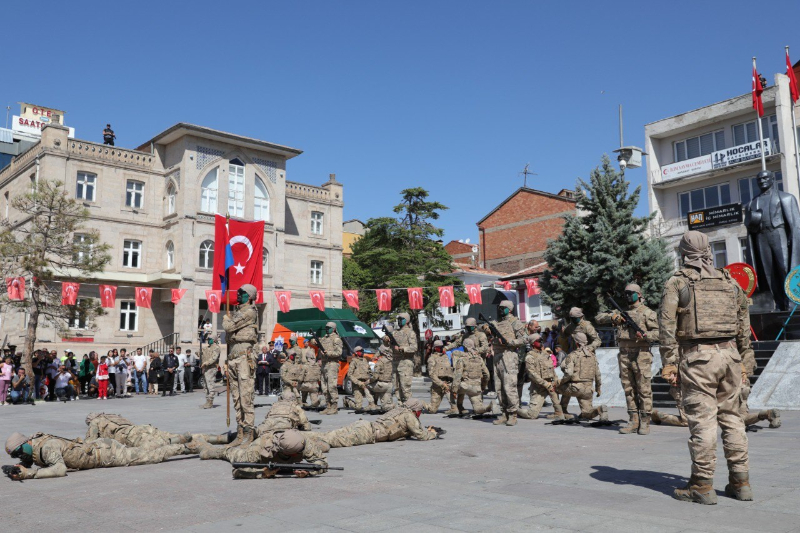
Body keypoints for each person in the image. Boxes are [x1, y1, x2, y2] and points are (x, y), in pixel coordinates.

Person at [659, 230, 753, 505]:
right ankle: (741, 482)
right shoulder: (730, 282)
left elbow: (666, 325)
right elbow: (743, 324)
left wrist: (669, 362)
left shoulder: (678, 283)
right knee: (734, 420)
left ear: (683, 252)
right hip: (731, 357)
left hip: (698, 359)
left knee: (704, 423)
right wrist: (745, 361)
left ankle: (701, 485)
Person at [596, 283, 660, 435]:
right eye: (625, 293)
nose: (627, 296)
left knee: (643, 389)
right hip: (624, 354)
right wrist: (613, 317)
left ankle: (645, 421)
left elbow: (659, 333)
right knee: (628, 389)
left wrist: (646, 335)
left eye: (630, 293)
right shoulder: (621, 313)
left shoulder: (647, 313)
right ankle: (633, 420)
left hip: (641, 354)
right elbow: (598, 318)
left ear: (639, 294)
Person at [3, 431, 191, 480]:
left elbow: (60, 469)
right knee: (145, 450)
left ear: (25, 444)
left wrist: (30, 474)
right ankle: (176, 440)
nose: (20, 457)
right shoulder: (37, 445)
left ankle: (188, 447)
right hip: (101, 447)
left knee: (151, 456)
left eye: (19, 453)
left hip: (108, 454)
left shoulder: (47, 448)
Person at [196, 428, 328, 480]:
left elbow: (323, 463)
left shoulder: (302, 442)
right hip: (258, 454)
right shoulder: (258, 449)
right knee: (229, 452)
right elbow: (237, 471)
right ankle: (205, 447)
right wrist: (262, 474)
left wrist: (309, 471)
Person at [316, 398, 439, 448]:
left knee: (330, 434)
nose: (420, 413)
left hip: (365, 425)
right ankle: (308, 444)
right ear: (416, 410)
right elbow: (421, 435)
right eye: (420, 411)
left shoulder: (400, 410)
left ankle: (303, 437)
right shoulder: (409, 415)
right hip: (368, 433)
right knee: (335, 441)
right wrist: (433, 434)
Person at [222, 284, 259, 445]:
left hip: (244, 358)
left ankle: (249, 433)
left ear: (249, 296)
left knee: (245, 397)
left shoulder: (249, 312)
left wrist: (226, 318)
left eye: (242, 294)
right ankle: (240, 432)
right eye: (238, 292)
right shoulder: (238, 312)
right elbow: (229, 337)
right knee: (236, 398)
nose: (238, 295)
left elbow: (228, 327)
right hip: (233, 357)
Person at [84, 412, 229, 449]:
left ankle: (192, 446)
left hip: (131, 436)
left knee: (163, 445)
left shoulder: (96, 422)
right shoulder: (113, 416)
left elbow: (89, 443)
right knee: (173, 435)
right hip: (143, 428)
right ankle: (220, 438)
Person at [488, 300, 527, 426]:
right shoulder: (498, 323)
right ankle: (504, 413)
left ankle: (513, 414)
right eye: (500, 307)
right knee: (499, 387)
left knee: (509, 386)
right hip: (497, 356)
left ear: (509, 309)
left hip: (509, 355)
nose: (500, 310)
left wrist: (510, 342)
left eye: (503, 308)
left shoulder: (515, 323)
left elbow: (524, 339)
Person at [558, 332, 608, 423]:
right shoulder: (593, 356)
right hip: (588, 390)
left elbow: (568, 374)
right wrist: (598, 388)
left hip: (575, 388)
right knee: (587, 413)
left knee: (557, 386)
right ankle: (600, 410)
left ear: (576, 343)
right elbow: (598, 374)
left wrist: (560, 382)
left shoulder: (573, 355)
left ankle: (562, 409)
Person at [444, 317, 489, 413]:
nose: (468, 329)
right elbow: (456, 343)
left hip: (478, 363)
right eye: (467, 327)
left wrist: (476, 351)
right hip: (466, 362)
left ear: (475, 326)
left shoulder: (480, 335)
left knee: (478, 384)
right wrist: (446, 348)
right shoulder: (465, 336)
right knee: (462, 380)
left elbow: (485, 347)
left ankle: (478, 404)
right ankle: (459, 406)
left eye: (470, 327)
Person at [518, 334, 564, 421]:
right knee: (532, 415)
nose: (541, 342)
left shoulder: (545, 354)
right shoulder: (530, 357)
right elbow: (532, 375)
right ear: (533, 343)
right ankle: (515, 410)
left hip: (550, 384)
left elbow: (552, 370)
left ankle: (559, 412)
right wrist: (546, 384)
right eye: (538, 341)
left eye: (541, 340)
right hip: (538, 387)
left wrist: (554, 381)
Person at [452, 339, 494, 416]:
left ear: (464, 347)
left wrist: (454, 390)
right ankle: (488, 407)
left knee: (454, 385)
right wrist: (483, 386)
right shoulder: (480, 359)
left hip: (465, 386)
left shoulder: (462, 359)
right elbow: (487, 375)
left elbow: (457, 376)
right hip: (476, 388)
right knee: (477, 409)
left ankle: (459, 406)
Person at [389, 313, 417, 404]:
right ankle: (400, 405)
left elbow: (414, 347)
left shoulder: (410, 333)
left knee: (405, 388)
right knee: (396, 386)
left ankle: (410, 406)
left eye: (401, 319)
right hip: (395, 362)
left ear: (406, 320)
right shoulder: (395, 333)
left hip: (405, 363)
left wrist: (402, 349)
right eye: (399, 319)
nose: (399, 321)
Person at [317, 322, 343, 414]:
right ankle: (328, 405)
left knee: (331, 386)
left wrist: (329, 353)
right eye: (326, 327)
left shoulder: (336, 339)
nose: (327, 329)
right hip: (324, 364)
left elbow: (339, 352)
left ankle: (334, 406)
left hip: (332, 364)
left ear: (334, 329)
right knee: (324, 387)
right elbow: (318, 342)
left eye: (329, 328)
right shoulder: (325, 338)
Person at [425, 340, 453, 414]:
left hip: (448, 383)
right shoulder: (432, 358)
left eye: (441, 347)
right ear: (435, 348)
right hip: (437, 384)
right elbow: (431, 375)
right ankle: (421, 404)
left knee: (455, 406)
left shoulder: (446, 356)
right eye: (438, 347)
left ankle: (454, 407)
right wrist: (441, 384)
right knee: (432, 410)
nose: (440, 348)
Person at [368, 338, 394, 412]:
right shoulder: (392, 361)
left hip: (382, 385)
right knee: (386, 407)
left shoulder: (380, 362)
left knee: (366, 386)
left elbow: (375, 377)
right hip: (390, 385)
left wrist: (368, 381)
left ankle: (372, 404)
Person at [200, 339, 220, 409]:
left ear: (214, 340)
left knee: (210, 385)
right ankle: (207, 401)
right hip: (205, 368)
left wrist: (206, 363)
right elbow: (202, 355)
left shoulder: (216, 348)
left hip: (211, 368)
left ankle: (210, 401)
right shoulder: (207, 348)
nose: (209, 341)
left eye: (210, 339)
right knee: (205, 386)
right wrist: (199, 353)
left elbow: (214, 358)